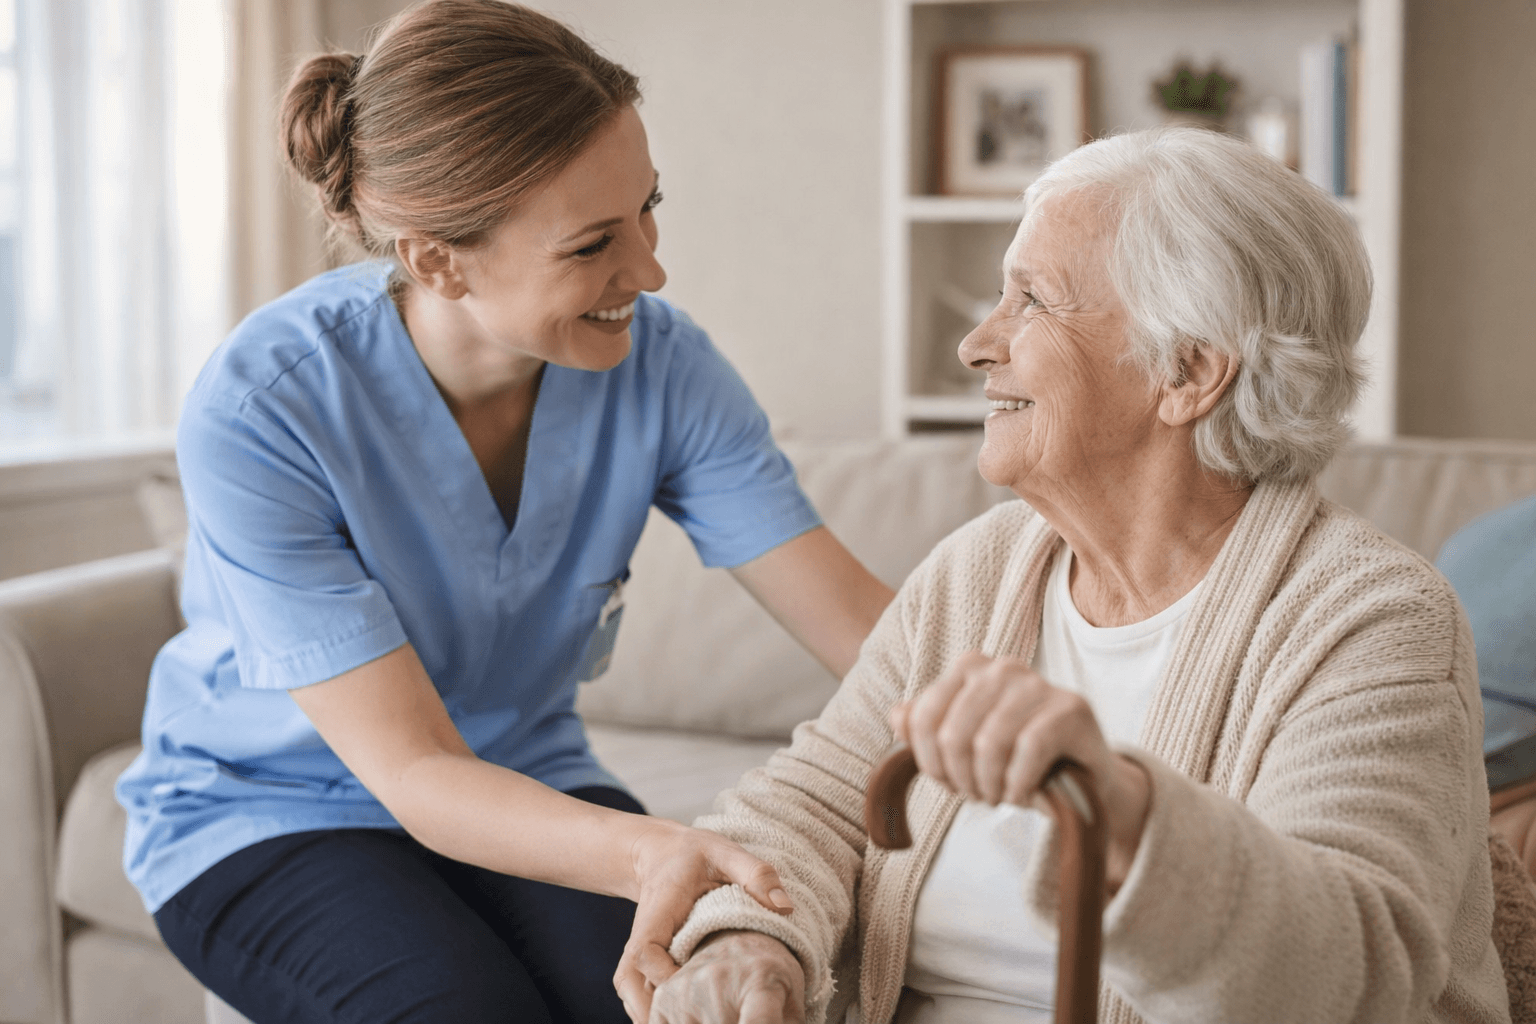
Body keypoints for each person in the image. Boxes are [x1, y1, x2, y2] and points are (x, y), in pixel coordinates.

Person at [114, 3, 893, 1022]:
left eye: (649, 209)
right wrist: (658, 848)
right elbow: (415, 766)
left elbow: (872, 639)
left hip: (531, 779)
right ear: (438, 259)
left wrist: (1072, 739)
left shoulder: (664, 367)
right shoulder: (267, 407)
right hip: (267, 812)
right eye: (592, 246)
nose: (650, 271)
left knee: (661, 1004)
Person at [641, 126, 1512, 1024]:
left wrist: (1126, 814)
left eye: (1032, 301)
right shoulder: (979, 571)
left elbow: (1354, 970)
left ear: (1187, 371)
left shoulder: (1373, 620)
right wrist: (749, 942)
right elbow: (818, 801)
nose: (978, 344)